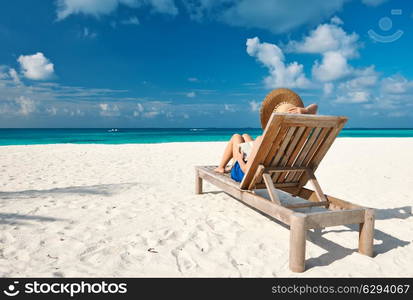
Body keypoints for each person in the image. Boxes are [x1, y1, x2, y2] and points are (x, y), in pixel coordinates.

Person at [214, 88, 318, 182]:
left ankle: (221, 167)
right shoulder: (295, 139)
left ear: (273, 121)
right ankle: (224, 165)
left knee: (236, 137)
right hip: (276, 174)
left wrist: (240, 158)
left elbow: (246, 170)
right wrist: (305, 110)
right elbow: (315, 107)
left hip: (248, 175)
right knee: (245, 136)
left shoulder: (262, 140)